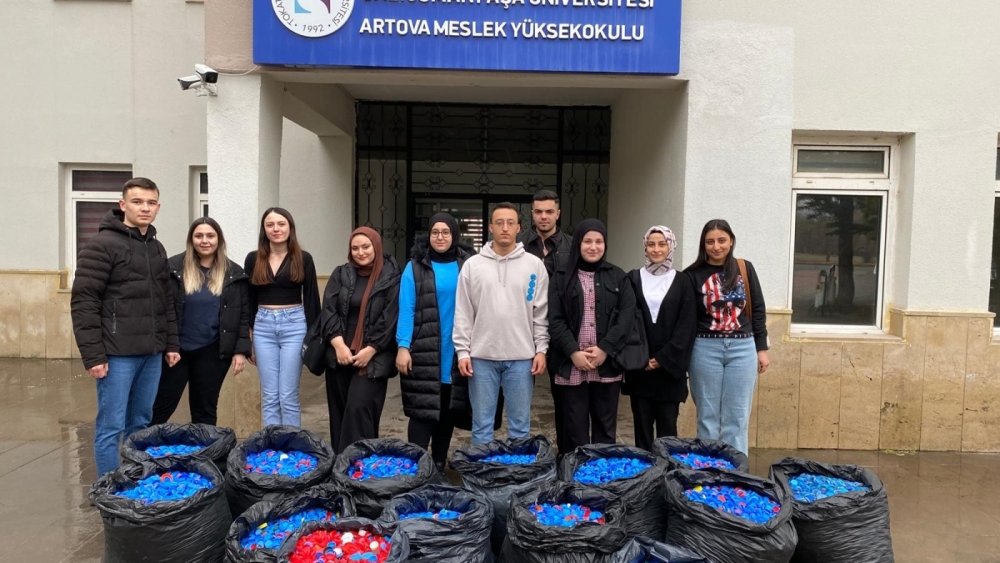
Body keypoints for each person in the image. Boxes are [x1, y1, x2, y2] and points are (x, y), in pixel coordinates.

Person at [71, 177, 180, 476]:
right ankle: (109, 487)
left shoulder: (156, 248)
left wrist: (171, 344)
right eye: (137, 201)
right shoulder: (101, 245)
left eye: (151, 202)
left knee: (141, 423)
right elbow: (84, 302)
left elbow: (165, 302)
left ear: (158, 207)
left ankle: (136, 480)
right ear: (123, 205)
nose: (145, 208)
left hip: (151, 353)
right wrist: (93, 356)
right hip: (116, 354)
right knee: (111, 426)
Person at [454, 203, 549, 445]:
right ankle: (482, 470)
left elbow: (540, 313)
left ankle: (516, 470)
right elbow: (463, 312)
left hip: (522, 358)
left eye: (510, 223)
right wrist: (463, 351)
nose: (504, 228)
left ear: (518, 228)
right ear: (490, 228)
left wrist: (541, 349)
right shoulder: (473, 265)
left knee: (520, 427)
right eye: (499, 223)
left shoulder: (534, 265)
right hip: (481, 358)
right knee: (481, 426)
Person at [151, 217, 250, 426]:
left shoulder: (234, 273)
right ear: (191, 240)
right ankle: (143, 445)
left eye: (210, 236)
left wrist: (241, 350)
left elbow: (241, 315)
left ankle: (204, 446)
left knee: (205, 409)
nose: (205, 241)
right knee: (161, 406)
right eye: (199, 236)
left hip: (212, 351)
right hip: (175, 351)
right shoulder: (173, 268)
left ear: (219, 239)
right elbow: (161, 309)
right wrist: (167, 345)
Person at [548, 219, 635, 453]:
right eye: (587, 241)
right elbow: (555, 319)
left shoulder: (618, 276)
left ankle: (600, 471)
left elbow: (626, 318)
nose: (593, 247)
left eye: (599, 241)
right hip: (571, 363)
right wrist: (573, 352)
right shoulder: (561, 276)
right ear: (578, 243)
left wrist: (605, 348)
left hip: (606, 363)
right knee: (573, 427)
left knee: (605, 427)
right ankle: (575, 471)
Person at [396, 213, 475, 471]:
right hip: (423, 348)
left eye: (445, 232)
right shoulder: (415, 267)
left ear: (454, 235)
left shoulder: (468, 265)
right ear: (428, 235)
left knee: (447, 409)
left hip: (456, 350)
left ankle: (439, 462)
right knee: (422, 410)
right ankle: (417, 466)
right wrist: (403, 346)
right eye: (435, 232)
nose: (440, 237)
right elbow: (407, 309)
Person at [685, 219, 770, 455]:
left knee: (738, 417)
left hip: (743, 347)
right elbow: (687, 318)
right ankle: (708, 468)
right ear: (703, 244)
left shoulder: (744, 268)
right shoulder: (691, 275)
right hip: (704, 347)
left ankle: (736, 470)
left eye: (722, 240)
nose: (716, 246)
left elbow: (758, 309)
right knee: (707, 416)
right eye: (710, 241)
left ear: (731, 241)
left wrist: (761, 349)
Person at [320, 227, 401, 453]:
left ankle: (358, 462)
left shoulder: (391, 277)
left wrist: (371, 349)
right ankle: (340, 461)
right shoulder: (341, 274)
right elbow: (329, 310)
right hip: (340, 355)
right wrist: (338, 344)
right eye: (355, 248)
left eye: (366, 247)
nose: (360, 252)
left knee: (359, 409)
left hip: (374, 358)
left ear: (376, 246)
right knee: (339, 412)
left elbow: (390, 317)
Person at [244, 208, 320, 428]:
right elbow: (249, 298)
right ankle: (272, 445)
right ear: (264, 229)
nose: (276, 229)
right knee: (270, 396)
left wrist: (314, 338)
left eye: (281, 224)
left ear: (290, 227)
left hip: (294, 326)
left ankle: (291, 444)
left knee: (287, 395)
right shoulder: (253, 259)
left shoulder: (304, 258)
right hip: (263, 327)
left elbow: (312, 299)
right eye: (270, 225)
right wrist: (249, 334)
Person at [622, 226, 697, 451]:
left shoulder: (683, 282)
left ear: (670, 246)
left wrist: (662, 359)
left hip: (669, 371)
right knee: (642, 430)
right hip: (640, 370)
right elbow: (625, 321)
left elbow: (687, 326)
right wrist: (641, 357)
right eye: (651, 244)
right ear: (645, 247)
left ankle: (666, 470)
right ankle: (646, 471)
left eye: (662, 244)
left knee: (668, 432)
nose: (656, 249)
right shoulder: (632, 278)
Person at [521, 189, 573, 457]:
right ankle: (517, 454)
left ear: (558, 213)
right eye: (539, 211)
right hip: (521, 328)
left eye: (549, 211)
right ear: (532, 213)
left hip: (561, 329)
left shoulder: (572, 246)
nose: (544, 216)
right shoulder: (518, 244)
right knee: (517, 397)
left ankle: (565, 454)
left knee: (564, 398)